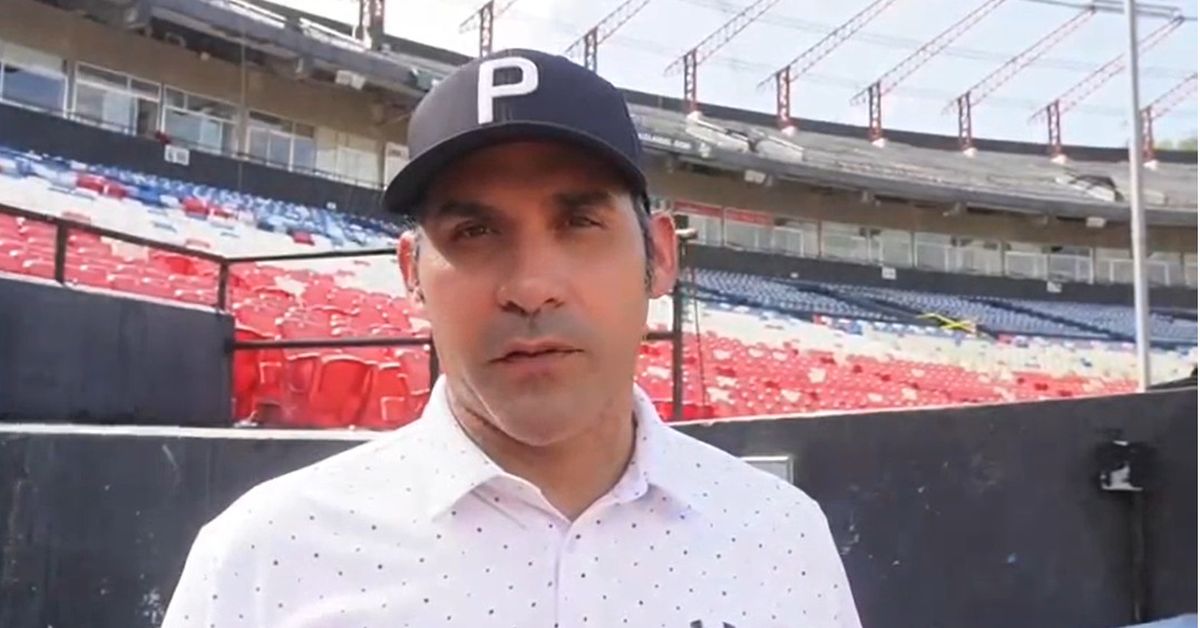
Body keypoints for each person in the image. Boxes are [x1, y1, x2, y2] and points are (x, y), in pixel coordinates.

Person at [162, 48, 861, 628]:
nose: (530, 286)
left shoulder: (779, 536)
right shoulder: (265, 555)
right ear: (411, 274)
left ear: (660, 256)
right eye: (475, 231)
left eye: (579, 223)